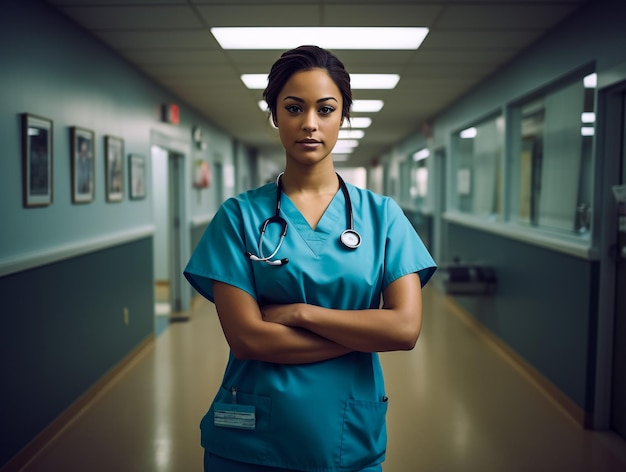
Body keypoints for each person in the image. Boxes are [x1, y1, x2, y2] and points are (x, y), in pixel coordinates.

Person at [184, 45, 437, 472]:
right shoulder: (238, 216)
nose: (309, 124)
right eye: (294, 108)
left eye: (325, 109)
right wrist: (361, 332)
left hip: (347, 441)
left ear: (343, 116)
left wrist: (300, 314)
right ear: (275, 115)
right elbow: (248, 340)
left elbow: (404, 329)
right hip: (250, 445)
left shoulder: (383, 216)